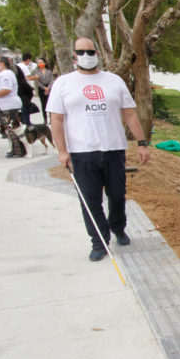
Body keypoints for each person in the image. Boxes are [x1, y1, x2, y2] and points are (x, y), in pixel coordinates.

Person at [47, 38, 151, 261]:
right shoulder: (64, 83)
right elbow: (56, 120)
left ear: (97, 53)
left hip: (113, 149)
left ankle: (118, 227)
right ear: (74, 56)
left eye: (90, 51)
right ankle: (99, 241)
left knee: (117, 195)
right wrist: (62, 151)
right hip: (82, 152)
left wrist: (142, 144)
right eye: (81, 52)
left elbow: (130, 114)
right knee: (90, 199)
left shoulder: (114, 81)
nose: (86, 55)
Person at [0, 55, 25, 157]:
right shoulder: (3, 74)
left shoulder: (6, 74)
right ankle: (15, 149)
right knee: (10, 129)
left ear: (2, 63)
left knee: (12, 129)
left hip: (7, 106)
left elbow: (6, 90)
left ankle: (18, 151)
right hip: (3, 106)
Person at [32, 58, 54, 124]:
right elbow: (36, 81)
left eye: (41, 62)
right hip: (41, 89)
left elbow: (51, 80)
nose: (40, 64)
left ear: (45, 63)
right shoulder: (36, 72)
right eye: (39, 63)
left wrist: (48, 88)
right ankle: (45, 119)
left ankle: (51, 119)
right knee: (43, 105)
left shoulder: (49, 71)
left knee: (50, 104)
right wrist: (44, 88)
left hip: (49, 88)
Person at [16, 52, 36, 125]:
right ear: (28, 59)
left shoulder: (17, 65)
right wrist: (37, 77)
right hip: (24, 89)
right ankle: (27, 122)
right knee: (26, 107)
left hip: (18, 90)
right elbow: (28, 77)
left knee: (21, 107)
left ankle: (23, 121)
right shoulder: (24, 67)